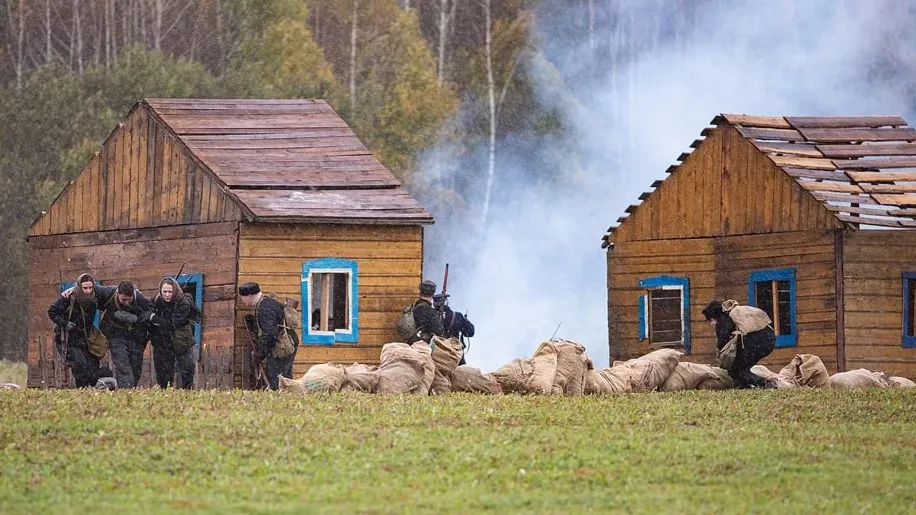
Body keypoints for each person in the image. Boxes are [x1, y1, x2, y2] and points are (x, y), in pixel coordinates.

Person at [702, 299, 776, 389]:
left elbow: (722, 341)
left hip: (756, 341)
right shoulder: (736, 311)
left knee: (735, 370)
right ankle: (745, 386)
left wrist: (720, 359)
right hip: (769, 339)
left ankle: (765, 383)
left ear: (715, 316)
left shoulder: (724, 319)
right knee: (742, 368)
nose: (711, 324)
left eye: (711, 320)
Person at [238, 282, 297, 390]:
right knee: (282, 377)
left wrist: (260, 354)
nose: (243, 300)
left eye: (243, 298)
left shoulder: (265, 308)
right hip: (286, 343)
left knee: (277, 379)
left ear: (250, 295)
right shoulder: (266, 303)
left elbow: (270, 334)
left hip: (282, 347)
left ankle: (281, 401)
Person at [47, 273, 102, 387]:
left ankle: (91, 393)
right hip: (69, 339)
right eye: (85, 288)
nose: (87, 291)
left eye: (90, 288)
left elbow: (113, 292)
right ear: (79, 287)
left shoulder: (95, 297)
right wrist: (65, 324)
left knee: (93, 369)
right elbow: (52, 312)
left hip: (85, 338)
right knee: (80, 365)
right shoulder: (69, 297)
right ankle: (81, 392)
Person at [96, 281, 153, 389]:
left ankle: (131, 390)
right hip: (115, 334)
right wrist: (72, 290)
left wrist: (136, 318)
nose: (126, 302)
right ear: (118, 293)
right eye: (123, 299)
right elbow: (92, 288)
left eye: (129, 299)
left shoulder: (139, 298)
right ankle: (125, 391)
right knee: (122, 363)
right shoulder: (108, 292)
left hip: (135, 335)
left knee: (135, 365)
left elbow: (151, 311)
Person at [150, 277, 199, 389]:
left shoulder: (184, 302)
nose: (167, 295)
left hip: (182, 340)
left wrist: (155, 319)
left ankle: (187, 394)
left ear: (175, 291)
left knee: (187, 370)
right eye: (165, 292)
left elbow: (173, 323)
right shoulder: (157, 301)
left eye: (170, 292)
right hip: (164, 341)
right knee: (163, 373)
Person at [434, 293, 475, 365]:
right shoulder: (457, 316)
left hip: (437, 353)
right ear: (446, 302)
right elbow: (470, 332)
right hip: (455, 353)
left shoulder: (431, 316)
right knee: (461, 373)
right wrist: (465, 320)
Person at [407, 280, 443, 344]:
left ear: (420, 292)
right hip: (424, 345)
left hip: (412, 342)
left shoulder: (413, 306)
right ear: (432, 294)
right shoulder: (430, 311)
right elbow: (438, 331)